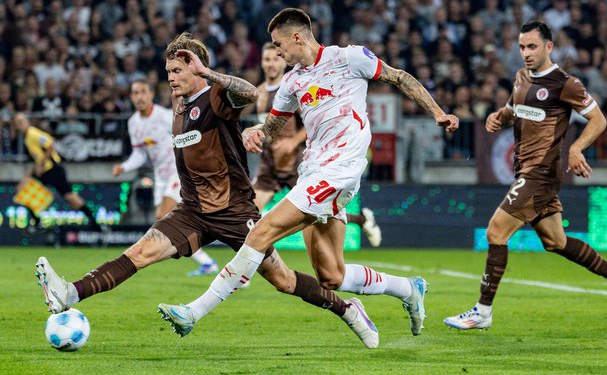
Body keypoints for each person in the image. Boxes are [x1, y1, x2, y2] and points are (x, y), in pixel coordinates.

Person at [35, 32, 379, 349]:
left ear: (196, 68)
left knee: (284, 280)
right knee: (140, 253)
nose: (170, 77)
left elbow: (250, 93)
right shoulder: (178, 101)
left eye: (177, 70)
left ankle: (348, 309)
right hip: (192, 211)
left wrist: (209, 73)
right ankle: (70, 292)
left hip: (234, 211)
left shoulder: (216, 96)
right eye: (168, 70)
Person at [160, 8, 460, 338]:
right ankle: (407, 288)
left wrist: (438, 113)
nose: (276, 52)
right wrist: (258, 130)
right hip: (313, 172)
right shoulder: (292, 81)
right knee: (331, 276)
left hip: (339, 171)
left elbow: (399, 77)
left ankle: (194, 311)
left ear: (298, 37)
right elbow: (276, 122)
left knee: (260, 233)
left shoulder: (350, 58)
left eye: (278, 45)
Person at [443, 21, 607, 331]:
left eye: (532, 47)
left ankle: (482, 311)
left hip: (541, 174)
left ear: (548, 47)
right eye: (521, 47)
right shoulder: (520, 78)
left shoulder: (565, 84)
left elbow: (598, 120)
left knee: (495, 232)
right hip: (526, 171)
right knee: (555, 241)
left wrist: (577, 148)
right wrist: (497, 117)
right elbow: (512, 109)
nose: (526, 53)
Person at [247, 42, 383, 247]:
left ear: (283, 61)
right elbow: (265, 126)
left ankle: (362, 220)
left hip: (296, 163)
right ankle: (252, 263)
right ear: (261, 63)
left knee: (321, 213)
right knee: (249, 213)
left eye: (275, 59)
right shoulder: (260, 93)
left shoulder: (294, 87)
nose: (271, 64)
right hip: (270, 164)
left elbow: (311, 122)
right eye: (267, 59)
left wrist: (293, 141)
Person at [112, 79, 220, 277]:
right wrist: (124, 166)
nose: (139, 97)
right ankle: (206, 262)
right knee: (163, 220)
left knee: (164, 217)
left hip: (177, 171)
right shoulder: (133, 123)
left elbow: (187, 134)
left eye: (142, 92)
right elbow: (140, 154)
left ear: (151, 94)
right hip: (160, 177)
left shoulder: (163, 116)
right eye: (135, 93)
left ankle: (207, 258)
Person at [13, 112, 106, 233]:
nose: (19, 126)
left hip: (53, 170)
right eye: (16, 124)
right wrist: (32, 171)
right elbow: (39, 158)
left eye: (21, 122)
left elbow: (50, 145)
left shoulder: (33, 133)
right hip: (45, 172)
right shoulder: (26, 138)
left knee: (71, 199)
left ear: (27, 122)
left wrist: (40, 165)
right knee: (23, 190)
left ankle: (96, 225)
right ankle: (37, 222)